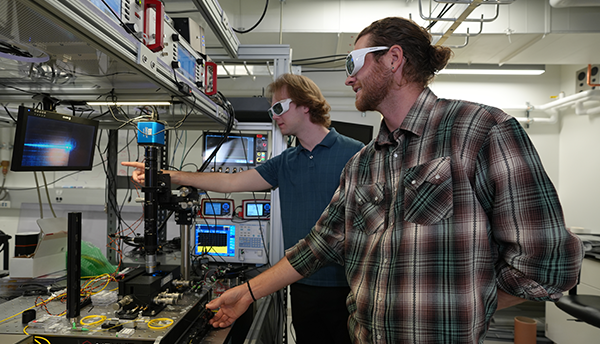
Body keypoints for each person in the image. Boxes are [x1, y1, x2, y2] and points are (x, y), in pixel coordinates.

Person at [204, 17, 585, 343]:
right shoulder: (363, 162)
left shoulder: (480, 131)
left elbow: (550, 263)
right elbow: (320, 244)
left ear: (394, 59)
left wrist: (471, 304)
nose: (349, 78)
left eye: (354, 62)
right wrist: (248, 293)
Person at [122, 73, 364, 344]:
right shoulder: (286, 161)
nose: (274, 116)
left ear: (305, 104)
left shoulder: (355, 154)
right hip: (298, 280)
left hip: (349, 284)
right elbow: (230, 180)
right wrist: (168, 175)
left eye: (279, 108)